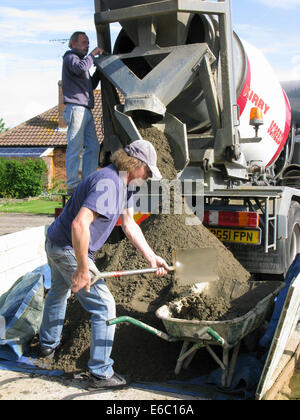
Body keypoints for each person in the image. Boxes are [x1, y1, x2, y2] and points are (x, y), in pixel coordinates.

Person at [36, 140, 170, 390]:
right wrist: (83, 269)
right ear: (135, 165)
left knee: (58, 293)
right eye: (148, 172)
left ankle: (47, 347)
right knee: (105, 306)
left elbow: (129, 223)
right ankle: (99, 372)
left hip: (55, 240)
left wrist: (151, 257)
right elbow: (79, 225)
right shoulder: (109, 184)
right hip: (66, 246)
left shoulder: (126, 184)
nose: (149, 177)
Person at [62, 31, 103, 194]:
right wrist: (93, 55)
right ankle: (73, 185)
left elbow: (90, 84)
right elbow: (80, 68)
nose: (87, 45)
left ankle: (87, 182)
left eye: (88, 43)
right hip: (76, 108)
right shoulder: (70, 57)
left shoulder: (82, 63)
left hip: (85, 109)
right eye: (84, 42)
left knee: (93, 146)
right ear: (73, 44)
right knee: (75, 146)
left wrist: (100, 69)